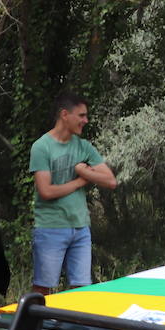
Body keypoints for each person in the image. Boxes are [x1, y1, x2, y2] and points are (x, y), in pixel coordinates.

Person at [29, 92, 118, 294]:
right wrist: (79, 180)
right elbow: (46, 191)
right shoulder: (42, 147)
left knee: (81, 288)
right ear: (64, 115)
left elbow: (110, 181)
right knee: (43, 287)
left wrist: (84, 170)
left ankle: (75, 325)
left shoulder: (83, 146)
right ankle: (31, 325)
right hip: (50, 227)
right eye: (81, 115)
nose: (85, 121)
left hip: (81, 228)